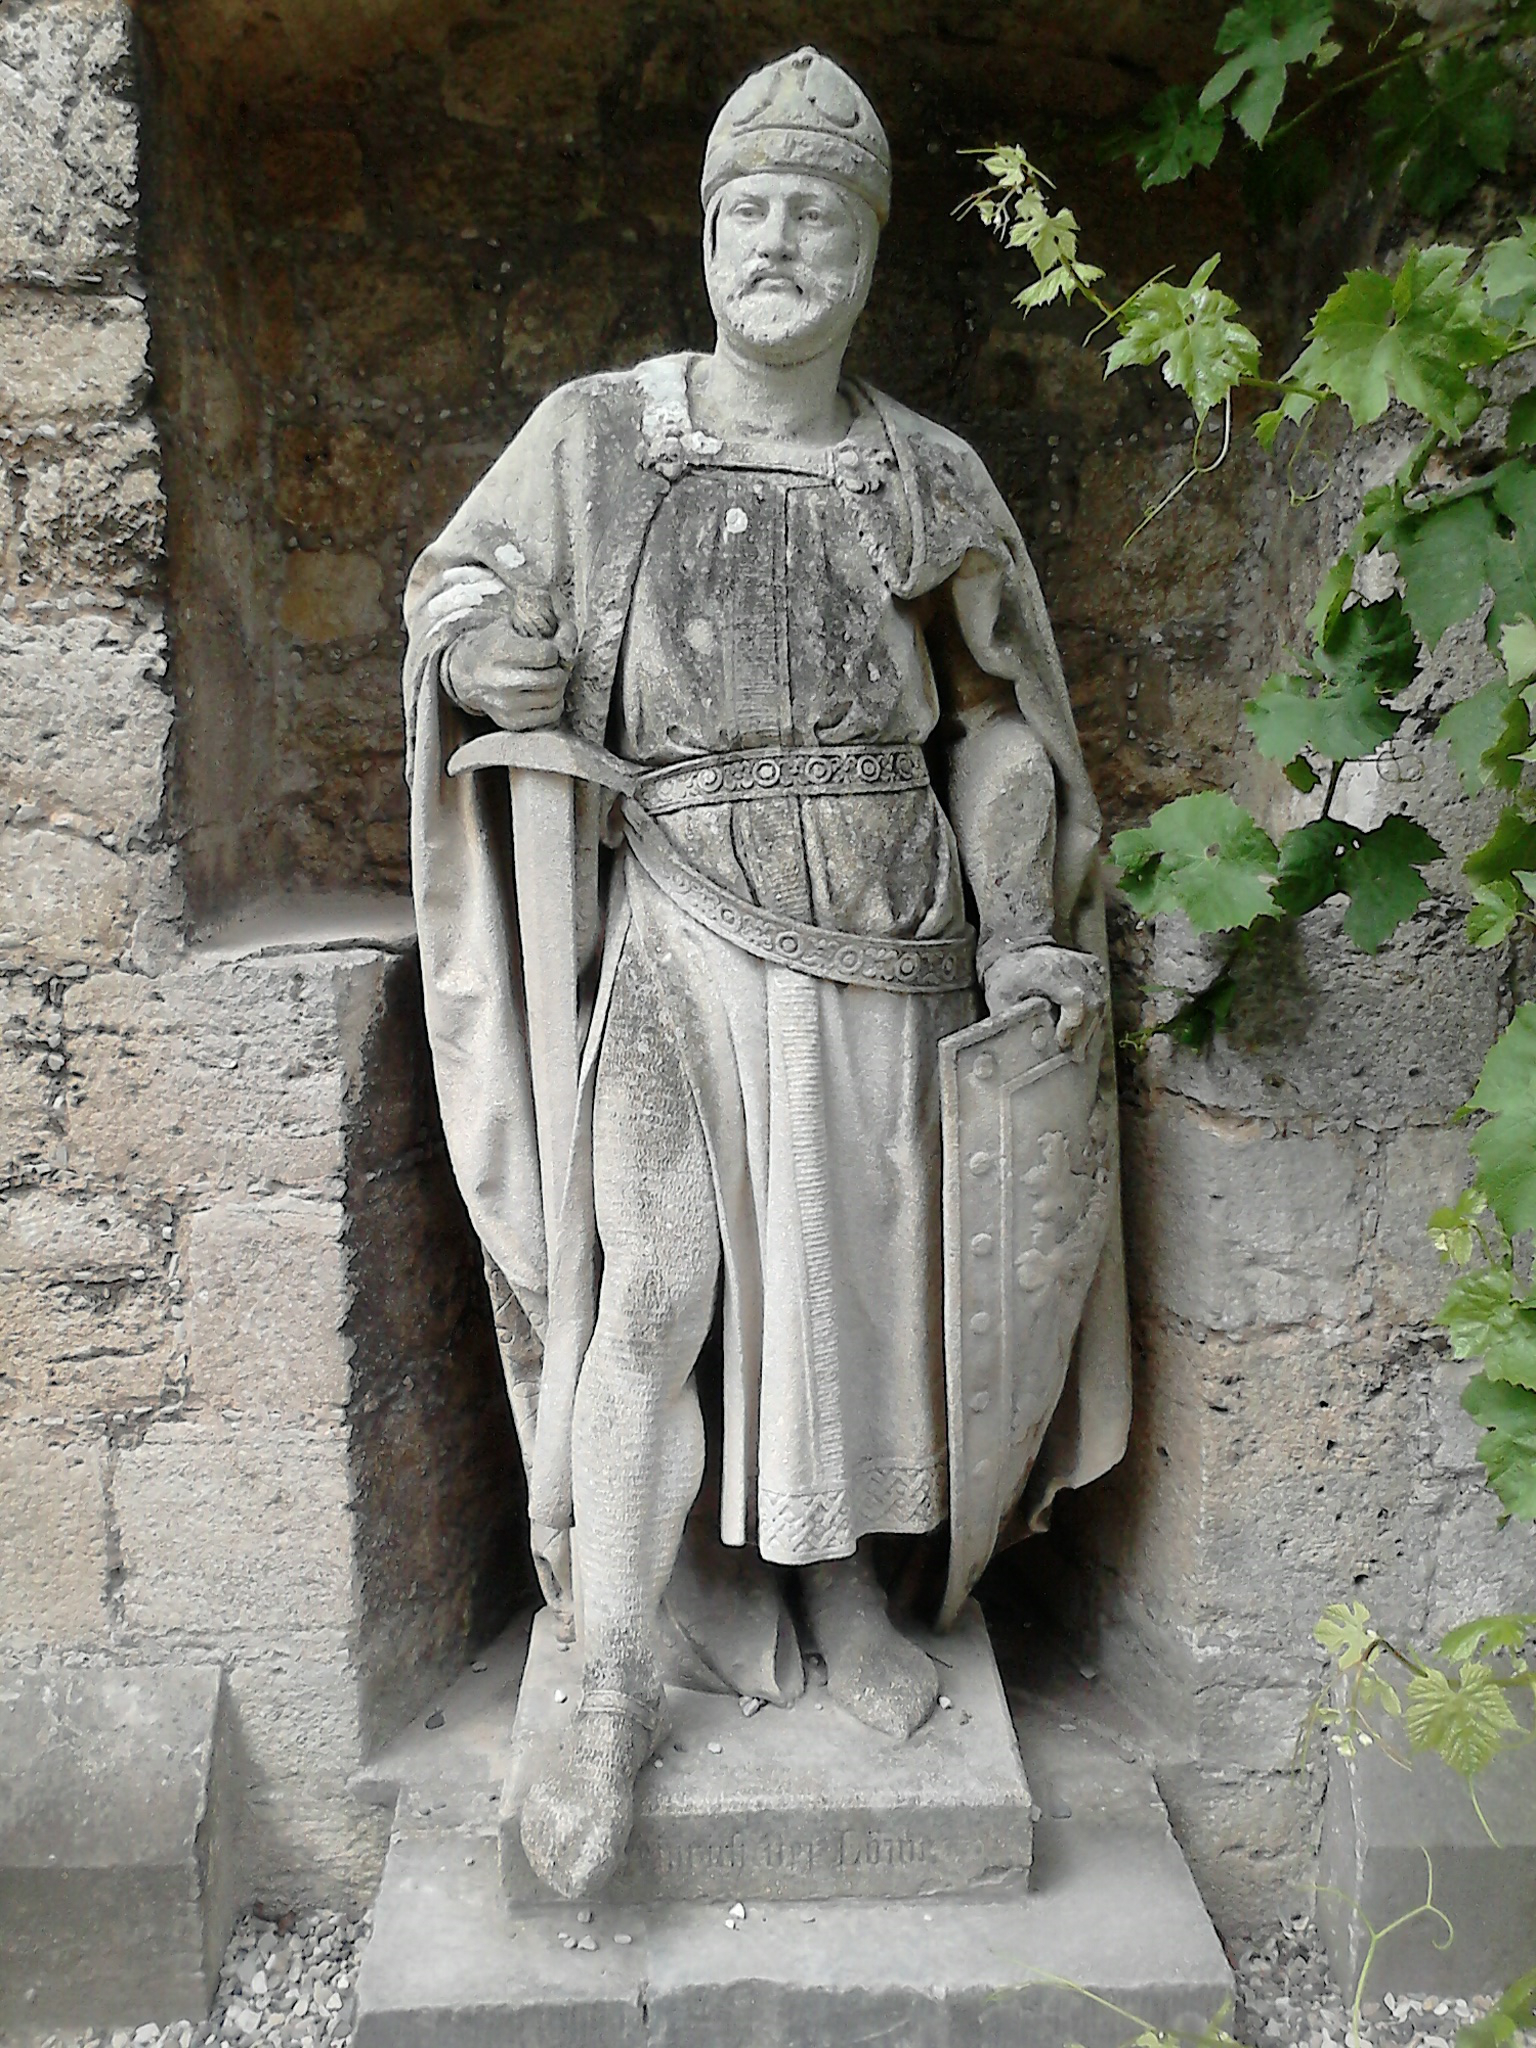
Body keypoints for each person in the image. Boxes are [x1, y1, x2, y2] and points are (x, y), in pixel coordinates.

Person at [402, 47, 1128, 1899]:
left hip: (890, 941)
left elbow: (996, 725)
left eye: (819, 216)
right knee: (651, 1288)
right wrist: (488, 649)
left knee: (860, 1307)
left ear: (869, 257)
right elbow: (453, 582)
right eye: (752, 213)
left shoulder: (923, 470)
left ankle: (840, 1594)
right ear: (708, 236)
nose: (781, 243)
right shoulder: (599, 433)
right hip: (678, 919)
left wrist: (1026, 920)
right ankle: (609, 1656)